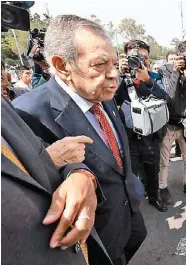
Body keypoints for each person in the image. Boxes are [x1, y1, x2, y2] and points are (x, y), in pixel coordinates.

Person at [12, 15, 147, 265]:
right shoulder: (27, 114)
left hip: (129, 217)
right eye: (100, 64)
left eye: (115, 64)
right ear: (63, 66)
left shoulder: (101, 92)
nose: (113, 75)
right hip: (93, 239)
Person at [2, 96, 112, 265]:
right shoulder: (30, 106)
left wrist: (79, 173)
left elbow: (40, 152)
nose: (113, 74)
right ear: (62, 68)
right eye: (98, 67)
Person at [115, 39, 168, 212]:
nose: (139, 61)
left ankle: (154, 197)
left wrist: (148, 81)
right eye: (134, 58)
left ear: (148, 59)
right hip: (129, 136)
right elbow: (109, 99)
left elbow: (164, 98)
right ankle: (131, 205)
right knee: (130, 173)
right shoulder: (120, 78)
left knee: (152, 170)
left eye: (143, 57)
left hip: (150, 135)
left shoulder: (153, 77)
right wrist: (119, 75)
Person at [158, 40, 186, 204]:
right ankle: (162, 187)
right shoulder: (166, 70)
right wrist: (175, 72)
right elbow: (168, 98)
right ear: (179, 55)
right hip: (169, 124)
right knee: (164, 162)